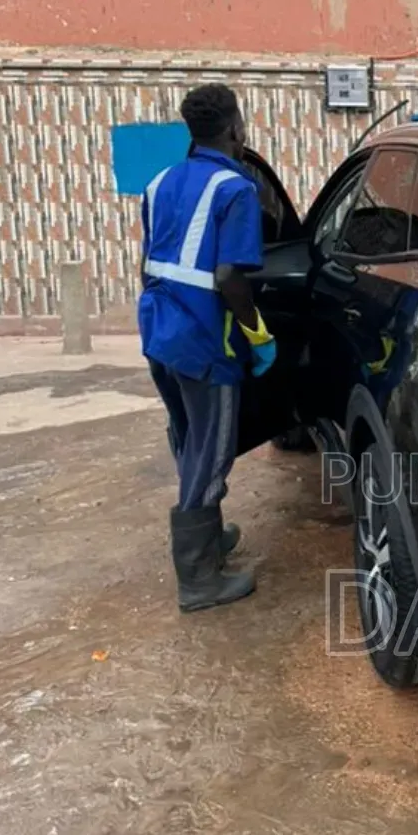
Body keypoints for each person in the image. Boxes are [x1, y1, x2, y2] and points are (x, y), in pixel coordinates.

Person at [138, 85, 277, 613]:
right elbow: (228, 277)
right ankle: (198, 579)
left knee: (188, 438)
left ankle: (208, 538)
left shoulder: (159, 182)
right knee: (213, 451)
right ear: (236, 129)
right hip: (204, 341)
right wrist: (258, 334)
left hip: (160, 332)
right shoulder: (236, 190)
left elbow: (148, 262)